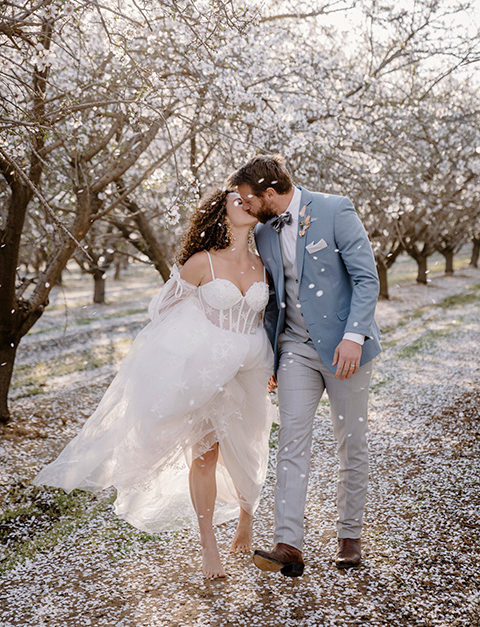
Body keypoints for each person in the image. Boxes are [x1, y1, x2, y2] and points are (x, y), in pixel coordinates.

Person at [33, 189, 275, 579]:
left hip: (252, 366)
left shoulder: (265, 264)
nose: (246, 204)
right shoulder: (202, 263)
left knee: (249, 445)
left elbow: (268, 317)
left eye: (249, 201)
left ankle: (247, 516)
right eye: (236, 201)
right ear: (220, 215)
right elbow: (163, 310)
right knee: (205, 455)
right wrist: (201, 344)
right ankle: (208, 545)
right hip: (209, 372)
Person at [228, 154, 381, 576]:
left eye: (248, 199)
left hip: (344, 348)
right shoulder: (263, 233)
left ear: (271, 194)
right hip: (295, 347)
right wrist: (272, 357)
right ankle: (287, 544)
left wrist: (354, 337)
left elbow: (367, 278)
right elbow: (273, 300)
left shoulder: (335, 209)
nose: (245, 206)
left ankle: (349, 537)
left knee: (351, 441)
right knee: (292, 440)